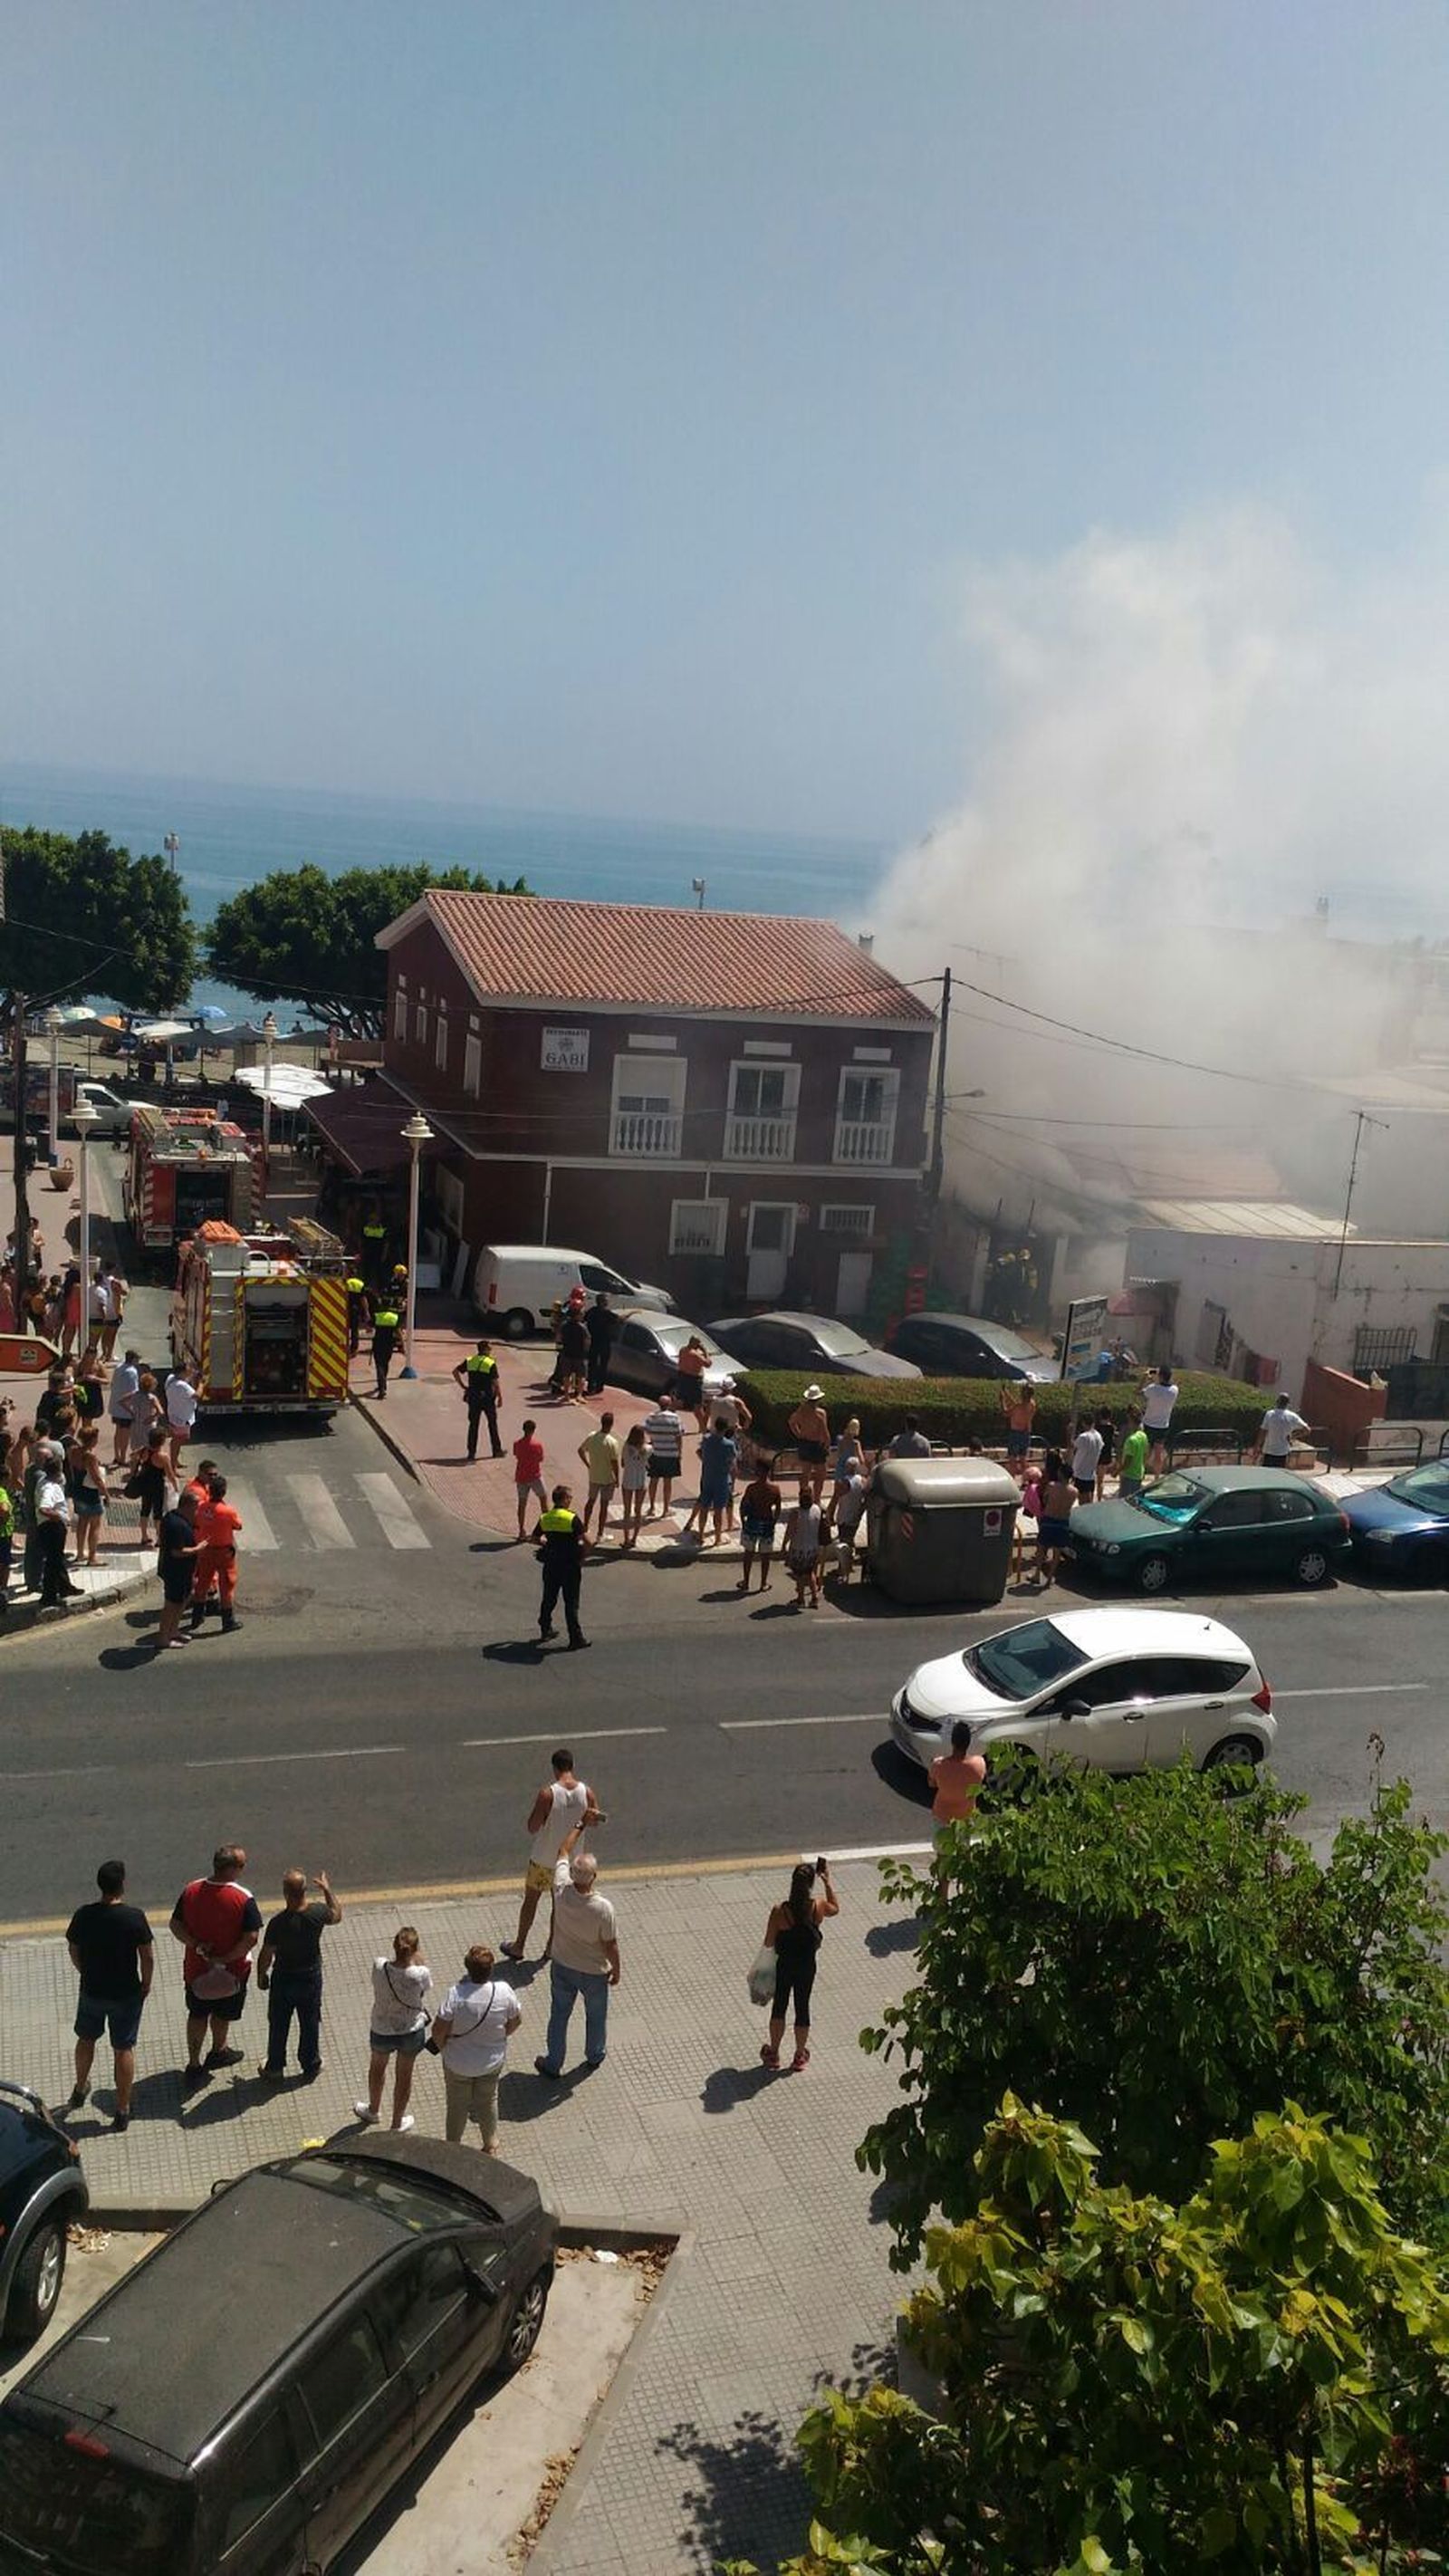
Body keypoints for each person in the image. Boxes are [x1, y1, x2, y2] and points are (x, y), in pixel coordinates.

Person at [65, 1859, 153, 2133]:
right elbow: (147, 1956)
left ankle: (80, 2088)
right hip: (126, 1993)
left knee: (86, 2038)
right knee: (123, 2048)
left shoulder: (84, 1915)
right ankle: (122, 2109)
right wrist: (146, 1984)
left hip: (92, 1990)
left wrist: (85, 1971)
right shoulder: (134, 1917)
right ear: (122, 1885)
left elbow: (73, 1948)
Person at [169, 1843, 264, 2091]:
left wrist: (196, 1944)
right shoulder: (243, 1898)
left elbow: (175, 1925)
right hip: (232, 1973)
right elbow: (251, 1938)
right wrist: (227, 1958)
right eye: (242, 1865)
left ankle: (193, 2063)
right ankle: (218, 2050)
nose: (243, 1869)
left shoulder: (191, 1890)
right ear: (231, 1869)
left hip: (196, 1971)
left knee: (197, 2014)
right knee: (223, 2014)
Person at [502, 1747, 602, 1963]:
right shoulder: (587, 1792)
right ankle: (550, 1948)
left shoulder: (548, 1793)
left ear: (555, 1768)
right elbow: (595, 1820)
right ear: (572, 1767)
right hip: (570, 1862)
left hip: (543, 1859)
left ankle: (519, 1945)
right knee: (559, 1905)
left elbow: (532, 1826)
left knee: (531, 1901)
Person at [534, 1826, 619, 2078]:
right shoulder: (603, 1908)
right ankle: (594, 2054)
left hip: (562, 1966)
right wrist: (617, 1969)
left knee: (559, 2015)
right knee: (595, 2015)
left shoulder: (560, 1890)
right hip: (594, 1972)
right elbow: (610, 1944)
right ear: (594, 1877)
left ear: (572, 1873)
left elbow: (563, 1850)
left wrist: (578, 1826)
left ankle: (553, 2063)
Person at [256, 1868, 341, 2082]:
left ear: (285, 1893)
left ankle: (275, 2067)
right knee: (310, 2021)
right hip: (310, 1977)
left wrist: (261, 1976)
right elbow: (337, 1915)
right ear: (304, 1891)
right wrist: (327, 1890)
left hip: (283, 1978)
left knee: (278, 2023)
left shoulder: (278, 1923)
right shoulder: (317, 1913)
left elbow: (266, 1954)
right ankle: (311, 2065)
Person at [435, 1945, 521, 2152]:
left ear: (468, 1968)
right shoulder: (503, 1991)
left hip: (458, 2063)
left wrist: (444, 2047)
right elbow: (516, 2021)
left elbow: (438, 2031)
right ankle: (490, 2144)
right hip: (491, 2062)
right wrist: (499, 2037)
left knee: (457, 2105)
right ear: (491, 1969)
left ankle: (453, 2146)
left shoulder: (455, 1995)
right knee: (488, 2100)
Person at [760, 1858, 838, 2073]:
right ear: (811, 1884)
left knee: (780, 2006)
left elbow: (768, 1941)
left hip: (784, 1964)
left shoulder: (779, 1911)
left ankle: (773, 2053)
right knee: (802, 2007)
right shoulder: (817, 1907)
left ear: (792, 1883)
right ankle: (800, 2055)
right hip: (806, 1966)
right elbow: (836, 1908)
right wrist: (827, 1881)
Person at [356, 1925, 433, 2131]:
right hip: (411, 2030)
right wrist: (417, 1957)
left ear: (394, 1946)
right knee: (404, 2076)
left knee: (377, 2068)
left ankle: (373, 2110)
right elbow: (423, 1991)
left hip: (382, 2027)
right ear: (415, 1950)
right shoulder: (420, 1974)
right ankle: (397, 2122)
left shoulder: (379, 1966)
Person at [537, 1484, 591, 1649]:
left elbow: (535, 1537)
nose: (571, 1500)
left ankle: (545, 1628)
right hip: (570, 1565)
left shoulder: (545, 1517)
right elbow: (586, 1541)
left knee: (549, 1598)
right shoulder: (571, 1518)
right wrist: (582, 1554)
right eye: (570, 1497)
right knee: (571, 1602)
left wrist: (545, 1543)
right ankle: (575, 1638)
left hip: (551, 1564)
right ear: (564, 1500)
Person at [154, 1483, 202, 1650]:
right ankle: (163, 1638)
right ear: (189, 1506)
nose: (199, 1511)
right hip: (175, 1571)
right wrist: (198, 1549)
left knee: (184, 1599)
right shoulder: (176, 1525)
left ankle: (173, 1630)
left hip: (184, 1571)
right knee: (171, 1604)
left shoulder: (179, 1519)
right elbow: (177, 1552)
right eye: (197, 1507)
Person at [930, 1721, 987, 1843]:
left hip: (942, 1815)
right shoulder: (979, 1764)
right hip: (965, 1816)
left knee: (942, 1852)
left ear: (952, 1742)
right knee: (963, 1852)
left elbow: (932, 1783)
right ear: (968, 1742)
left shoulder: (939, 1765)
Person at [34, 1441, 76, 1609]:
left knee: (56, 1560)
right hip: (52, 1528)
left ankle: (65, 1587)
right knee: (53, 1562)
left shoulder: (44, 1482)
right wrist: (59, 1517)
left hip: (49, 1528)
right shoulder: (50, 1488)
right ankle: (49, 1596)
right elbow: (44, 1508)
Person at [686, 1416, 737, 1545]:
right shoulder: (729, 1444)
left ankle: (701, 1535)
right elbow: (732, 1462)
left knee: (704, 1506)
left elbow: (700, 1452)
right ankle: (717, 1539)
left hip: (707, 1478)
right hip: (722, 1480)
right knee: (719, 1510)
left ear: (715, 1426)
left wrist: (707, 1461)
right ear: (726, 1428)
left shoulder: (706, 1440)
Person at [453, 1338, 504, 1461]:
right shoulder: (490, 1363)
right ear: (485, 1350)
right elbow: (495, 1382)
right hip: (487, 1398)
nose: (491, 1351)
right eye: (490, 1348)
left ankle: (471, 1453)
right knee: (492, 1424)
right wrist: (500, 1397)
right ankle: (496, 1451)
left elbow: (455, 1371)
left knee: (473, 1425)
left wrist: (463, 1386)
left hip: (473, 1397)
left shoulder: (470, 1361)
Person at [738, 1456, 782, 1593]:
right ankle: (763, 1583)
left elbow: (743, 1505)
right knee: (765, 1555)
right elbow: (778, 1508)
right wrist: (774, 1522)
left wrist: (743, 1521)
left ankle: (746, 1582)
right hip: (767, 1522)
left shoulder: (752, 1488)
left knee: (749, 1554)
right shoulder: (775, 1489)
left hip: (753, 1521)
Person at [1034, 1449, 1076, 1585]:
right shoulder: (1074, 1492)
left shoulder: (1052, 1486)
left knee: (1041, 1547)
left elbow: (1045, 1500)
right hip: (1063, 1522)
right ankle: (1050, 1577)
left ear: (1060, 1474)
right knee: (1057, 1552)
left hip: (1049, 1519)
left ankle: (1037, 1574)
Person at [578, 1410, 621, 1539]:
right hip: (607, 1478)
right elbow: (615, 1463)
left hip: (594, 1476)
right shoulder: (612, 1442)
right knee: (604, 1506)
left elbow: (580, 1450)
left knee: (590, 1502)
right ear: (611, 1424)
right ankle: (600, 1533)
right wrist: (617, 1478)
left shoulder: (592, 1436)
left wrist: (588, 1464)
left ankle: (585, 1526)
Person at [129, 1428, 174, 1553]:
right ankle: (159, 1538)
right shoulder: (163, 1457)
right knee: (158, 1512)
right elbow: (170, 1475)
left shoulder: (144, 1451)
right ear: (162, 1441)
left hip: (145, 1484)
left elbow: (132, 1456)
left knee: (145, 1509)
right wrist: (175, 1486)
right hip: (157, 1485)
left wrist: (135, 1465)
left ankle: (144, 1536)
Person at [782, 1480, 823, 1609]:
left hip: (799, 1549)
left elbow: (790, 1531)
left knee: (799, 1575)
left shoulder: (796, 1513)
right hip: (813, 1548)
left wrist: (784, 1545)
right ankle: (814, 1598)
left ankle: (800, 1598)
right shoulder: (817, 1509)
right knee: (810, 1573)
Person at [72, 1427, 109, 1568]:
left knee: (82, 1521)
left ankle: (80, 1553)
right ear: (93, 1439)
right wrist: (106, 1494)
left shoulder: (74, 1451)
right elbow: (96, 1478)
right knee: (95, 1525)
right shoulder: (90, 1456)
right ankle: (92, 1557)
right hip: (90, 1493)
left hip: (78, 1490)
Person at [643, 1394, 684, 1517]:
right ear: (669, 1404)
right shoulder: (675, 1418)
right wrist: (680, 1452)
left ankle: (651, 1507)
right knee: (667, 1482)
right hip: (671, 1454)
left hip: (655, 1453)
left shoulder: (651, 1417)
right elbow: (679, 1437)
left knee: (653, 1481)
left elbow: (647, 1431)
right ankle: (666, 1509)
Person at [787, 1385, 830, 1501]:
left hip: (805, 1443)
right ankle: (816, 1498)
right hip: (817, 1445)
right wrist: (827, 1445)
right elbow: (825, 1433)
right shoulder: (820, 1414)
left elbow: (791, 1423)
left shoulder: (801, 1411)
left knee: (805, 1473)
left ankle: (804, 1497)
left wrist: (799, 1434)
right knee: (820, 1475)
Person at [512, 1417, 548, 1540]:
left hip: (521, 1476)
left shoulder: (517, 1444)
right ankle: (547, 1528)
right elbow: (541, 1459)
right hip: (535, 1476)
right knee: (543, 1499)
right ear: (533, 1430)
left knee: (522, 1503)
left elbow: (516, 1455)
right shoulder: (537, 1445)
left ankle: (521, 1530)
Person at [1141, 1365, 1180, 1474]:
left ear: (1161, 1376)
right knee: (1158, 1454)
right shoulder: (1174, 1390)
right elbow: (1169, 1385)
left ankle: (1140, 1474)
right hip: (1163, 1426)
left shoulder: (1152, 1388)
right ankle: (1157, 1477)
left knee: (1146, 1453)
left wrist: (1146, 1378)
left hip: (1148, 1424)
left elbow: (1139, 1392)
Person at [827, 1418, 864, 1523]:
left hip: (840, 1468)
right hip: (850, 1469)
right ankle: (847, 1517)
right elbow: (861, 1459)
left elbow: (839, 1453)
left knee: (836, 1495)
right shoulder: (856, 1443)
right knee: (848, 1495)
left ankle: (830, 1515)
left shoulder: (840, 1440)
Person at [1258, 1391, 1310, 1467]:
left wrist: (1257, 1447)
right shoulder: (1293, 1416)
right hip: (1283, 1452)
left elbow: (1263, 1432)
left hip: (1269, 1451)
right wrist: (1293, 1436)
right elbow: (1307, 1430)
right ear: (1287, 1404)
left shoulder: (1270, 1414)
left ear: (1277, 1402)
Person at [619, 1421, 648, 1548]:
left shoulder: (626, 1447)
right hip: (641, 1481)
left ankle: (626, 1538)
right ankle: (635, 1539)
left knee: (627, 1511)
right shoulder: (647, 1449)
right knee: (638, 1511)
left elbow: (622, 1463)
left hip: (628, 1480)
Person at [109, 1349, 141, 1465]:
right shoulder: (132, 1372)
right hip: (126, 1408)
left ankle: (116, 1455)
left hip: (115, 1406)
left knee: (118, 1431)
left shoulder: (118, 1367)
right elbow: (134, 1390)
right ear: (133, 1359)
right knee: (125, 1434)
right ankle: (122, 1457)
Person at [165, 1367, 197, 1476]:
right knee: (178, 1441)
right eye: (188, 1371)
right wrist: (201, 1384)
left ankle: (175, 1461)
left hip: (174, 1415)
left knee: (178, 1440)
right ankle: (173, 1468)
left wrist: (191, 1376)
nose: (190, 1372)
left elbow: (184, 1382)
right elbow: (197, 1396)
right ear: (182, 1372)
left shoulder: (171, 1378)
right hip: (182, 1418)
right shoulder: (182, 1386)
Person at [585, 1292, 617, 1397]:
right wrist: (633, 1312)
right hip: (604, 1343)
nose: (608, 1302)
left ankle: (590, 1386)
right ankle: (599, 1387)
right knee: (603, 1365)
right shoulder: (607, 1314)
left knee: (592, 1365)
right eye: (606, 1300)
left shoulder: (591, 1312)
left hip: (594, 1341)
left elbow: (584, 1319)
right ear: (603, 1302)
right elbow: (619, 1319)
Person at [556, 1301, 589, 1401]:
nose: (583, 1315)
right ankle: (579, 1395)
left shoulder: (564, 1325)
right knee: (581, 1376)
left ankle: (566, 1394)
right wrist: (586, 1350)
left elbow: (559, 1338)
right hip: (579, 1354)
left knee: (566, 1376)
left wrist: (561, 1346)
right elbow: (587, 1340)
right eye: (582, 1313)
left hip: (566, 1353)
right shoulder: (582, 1328)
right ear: (578, 1315)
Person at [674, 1334, 709, 1427]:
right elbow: (708, 1364)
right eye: (698, 1343)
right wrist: (705, 1351)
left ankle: (668, 1417)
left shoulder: (682, 1350)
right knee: (698, 1406)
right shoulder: (695, 1354)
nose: (700, 1345)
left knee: (679, 1402)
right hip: (694, 1381)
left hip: (683, 1377)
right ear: (695, 1343)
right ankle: (703, 1427)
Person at [370, 1298, 400, 1399]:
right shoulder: (394, 1317)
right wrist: (403, 1345)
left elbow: (369, 1326)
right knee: (385, 1364)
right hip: (389, 1344)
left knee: (379, 1365)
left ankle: (381, 1387)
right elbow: (398, 1332)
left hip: (378, 1343)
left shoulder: (377, 1316)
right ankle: (383, 1383)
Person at [1117, 1406, 1149, 1499]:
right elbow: (1146, 1453)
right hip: (1138, 1474)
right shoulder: (1143, 1436)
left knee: (1123, 1501)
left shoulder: (1131, 1440)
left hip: (1129, 1475)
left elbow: (1127, 1462)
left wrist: (1117, 1471)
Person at [1070, 1418, 1104, 1505]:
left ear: (1084, 1423)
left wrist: (1069, 1433)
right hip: (1091, 1474)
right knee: (1089, 1502)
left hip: (1081, 1473)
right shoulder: (1098, 1436)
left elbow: (1072, 1447)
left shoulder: (1083, 1437)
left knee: (1083, 1503)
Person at [344, 1273, 369, 1359]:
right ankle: (354, 1349)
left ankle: (344, 1346)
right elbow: (363, 1299)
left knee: (344, 1329)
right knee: (354, 1330)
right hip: (355, 1309)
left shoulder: (345, 1282)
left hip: (345, 1308)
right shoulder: (360, 1284)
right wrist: (366, 1312)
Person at [1093, 1410, 1116, 1502]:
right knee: (1101, 1480)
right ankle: (1099, 1499)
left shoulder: (1097, 1427)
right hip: (1106, 1455)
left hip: (1096, 1454)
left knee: (1092, 1477)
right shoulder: (1111, 1428)